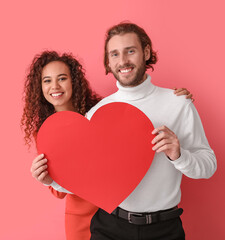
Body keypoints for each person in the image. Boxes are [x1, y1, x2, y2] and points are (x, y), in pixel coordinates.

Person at [21, 51, 194, 240]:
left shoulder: (101, 111)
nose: (55, 86)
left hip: (119, 213)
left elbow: (135, 124)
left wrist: (174, 99)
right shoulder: (45, 133)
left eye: (62, 78)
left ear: (74, 81)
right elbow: (58, 189)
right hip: (81, 217)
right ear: (39, 87)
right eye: (47, 81)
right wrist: (47, 179)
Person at [86, 22, 217, 240]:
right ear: (108, 62)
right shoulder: (97, 113)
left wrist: (179, 154)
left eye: (131, 51)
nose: (123, 61)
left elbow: (209, 166)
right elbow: (83, 175)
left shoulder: (179, 103)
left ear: (146, 52)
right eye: (115, 54)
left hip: (164, 229)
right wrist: (50, 179)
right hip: (109, 227)